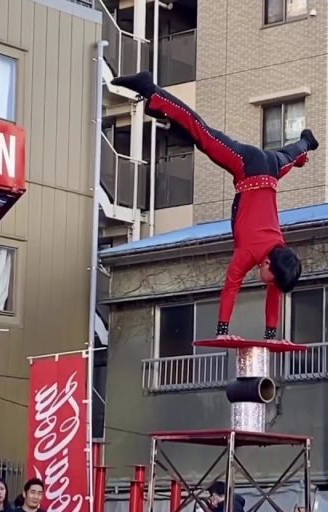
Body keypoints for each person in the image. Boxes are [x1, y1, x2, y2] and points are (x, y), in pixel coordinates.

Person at [112, 71, 316, 341]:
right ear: (267, 263)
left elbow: (274, 297)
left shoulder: (279, 257)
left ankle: (306, 143)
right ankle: (150, 89)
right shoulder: (249, 253)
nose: (269, 284)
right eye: (271, 279)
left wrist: (272, 337)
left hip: (272, 170)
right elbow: (231, 286)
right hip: (249, 165)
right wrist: (223, 332)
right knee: (203, 134)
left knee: (290, 156)